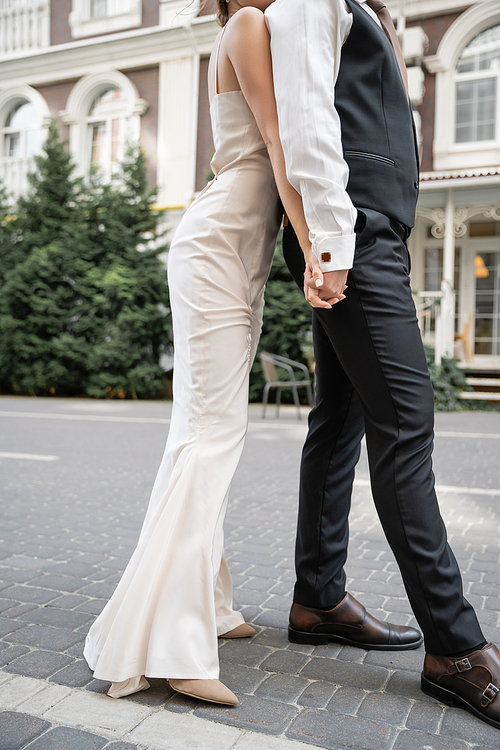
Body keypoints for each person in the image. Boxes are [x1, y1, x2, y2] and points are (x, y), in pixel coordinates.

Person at [84, 0, 340, 708]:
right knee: (211, 434)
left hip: (229, 245)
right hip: (221, 246)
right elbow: (279, 143)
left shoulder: (241, 30)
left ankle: (210, 605)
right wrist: (321, 246)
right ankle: (171, 644)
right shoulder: (249, 25)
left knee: (204, 432)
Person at [264, 0, 500, 731]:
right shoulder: (311, 1)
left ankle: (318, 597)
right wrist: (333, 247)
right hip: (355, 232)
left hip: (368, 233)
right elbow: (305, 121)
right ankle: (456, 649)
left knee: (340, 421)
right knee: (406, 426)